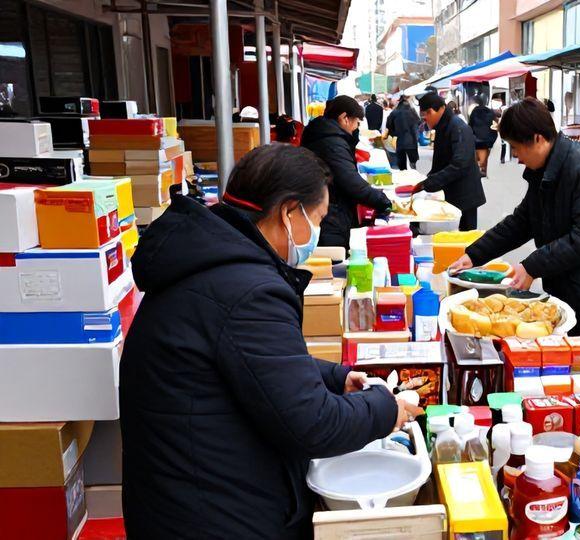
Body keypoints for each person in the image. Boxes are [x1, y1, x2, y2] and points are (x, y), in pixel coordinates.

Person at [120, 144, 421, 539]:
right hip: (212, 515)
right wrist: (387, 409)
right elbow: (313, 424)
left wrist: (336, 378)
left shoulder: (214, 263)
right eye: (317, 218)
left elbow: (246, 362)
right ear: (288, 213)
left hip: (185, 497)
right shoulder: (247, 290)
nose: (316, 232)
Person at [447, 98, 580, 377]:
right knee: (568, 381)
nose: (517, 157)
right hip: (577, 293)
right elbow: (521, 222)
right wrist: (473, 254)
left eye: (517, 148)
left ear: (538, 139)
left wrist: (532, 266)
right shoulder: (543, 171)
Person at [301, 95, 393, 250]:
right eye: (356, 122)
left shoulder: (325, 134)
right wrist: (382, 200)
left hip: (327, 209)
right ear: (344, 118)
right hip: (330, 215)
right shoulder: (332, 142)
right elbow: (350, 181)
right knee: (334, 261)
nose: (356, 127)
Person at [413, 92, 485, 230]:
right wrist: (425, 182)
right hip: (452, 193)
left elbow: (460, 164)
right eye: (424, 114)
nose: (426, 118)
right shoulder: (442, 127)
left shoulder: (458, 127)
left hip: (465, 195)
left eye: (428, 113)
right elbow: (440, 162)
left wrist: (431, 182)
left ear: (441, 109)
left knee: (465, 237)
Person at [384, 96, 421, 171]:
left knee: (402, 165)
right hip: (412, 141)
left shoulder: (394, 112)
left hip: (399, 140)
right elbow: (419, 123)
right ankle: (414, 175)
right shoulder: (412, 111)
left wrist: (393, 133)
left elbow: (388, 124)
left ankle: (404, 176)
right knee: (413, 163)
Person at [469, 96, 497, 177]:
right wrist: (492, 140)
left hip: (476, 141)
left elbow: (470, 126)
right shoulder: (490, 112)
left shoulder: (474, 112)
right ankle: (483, 169)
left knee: (476, 159)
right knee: (484, 159)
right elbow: (494, 127)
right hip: (486, 141)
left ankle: (478, 169)